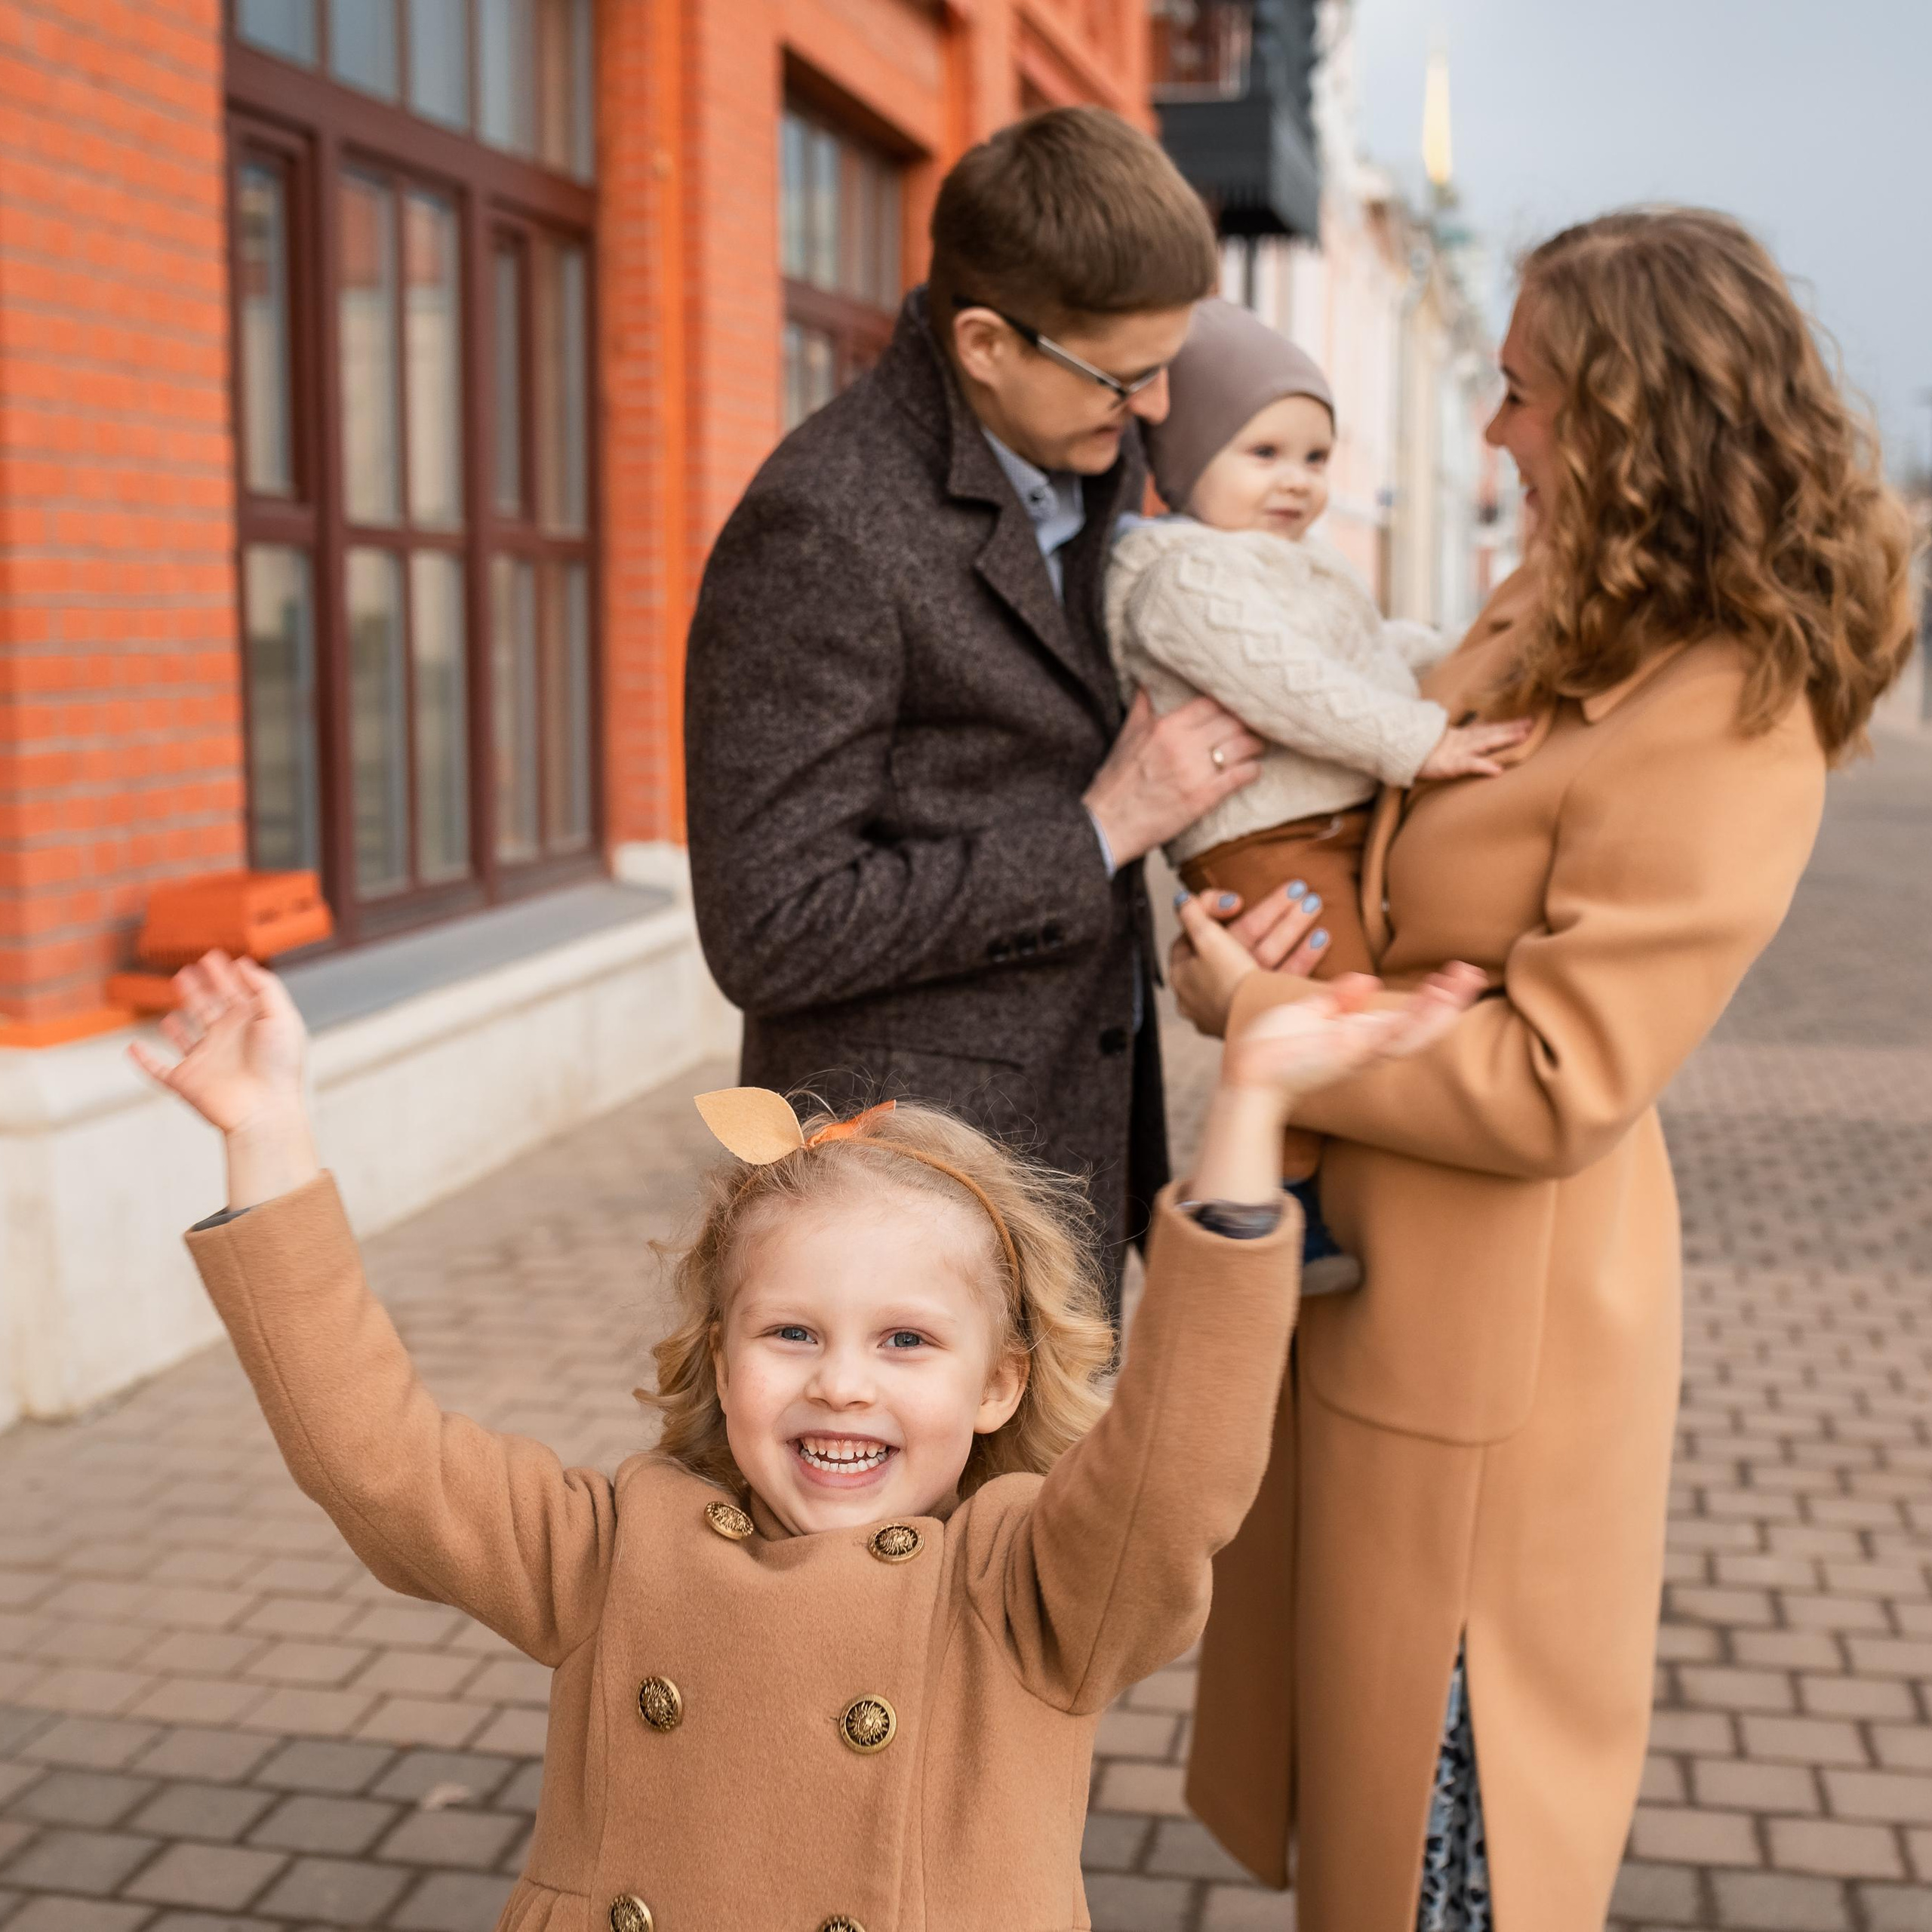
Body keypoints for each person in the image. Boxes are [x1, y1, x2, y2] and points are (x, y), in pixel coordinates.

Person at [131, 945, 1479, 1932]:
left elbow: (1177, 1471)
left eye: (906, 1342)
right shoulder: (615, 1549)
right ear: (719, 1361)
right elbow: (377, 1458)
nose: (843, 1385)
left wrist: (1248, 1117)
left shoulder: (1029, 1589)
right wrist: (269, 1136)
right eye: (790, 1336)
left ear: (1002, 1386)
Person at [1168, 208, 1918, 1932]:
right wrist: (1247, 932)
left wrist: (1271, 1029)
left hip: (1494, 1334)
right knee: (1362, 1799)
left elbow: (1559, 1077)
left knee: (1448, 1829)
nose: (1492, 428)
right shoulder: (1553, 598)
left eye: (1517, 394)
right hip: (1386, 1280)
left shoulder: (1730, 696)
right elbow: (1375, 859)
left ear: (1625, 410)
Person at [685, 108, 1264, 1315]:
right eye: (1125, 374)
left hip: (1074, 1156)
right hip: (902, 1208)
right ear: (988, 342)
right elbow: (770, 927)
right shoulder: (823, 524)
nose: (1157, 406)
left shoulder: (1086, 452)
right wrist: (1101, 832)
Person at [1107, 299, 1532, 1288]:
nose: (1296, 481)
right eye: (1263, 452)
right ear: (1183, 460)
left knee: (1338, 989)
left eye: (1315, 457)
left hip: (1326, 827)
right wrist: (1419, 740)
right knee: (1317, 999)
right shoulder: (1183, 577)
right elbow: (1295, 688)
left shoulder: (1297, 565)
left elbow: (1367, 652)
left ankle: (1317, 1186)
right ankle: (1275, 1203)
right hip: (1267, 843)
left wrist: (1467, 666)